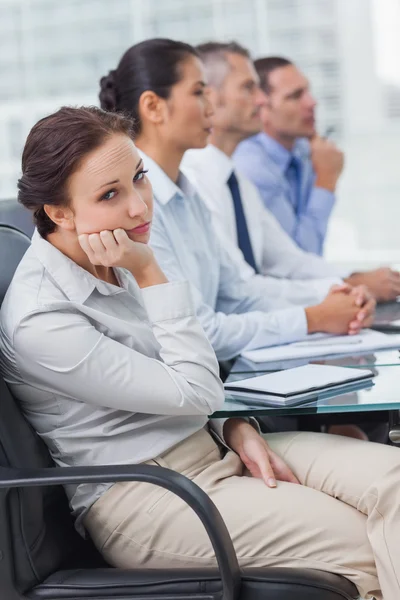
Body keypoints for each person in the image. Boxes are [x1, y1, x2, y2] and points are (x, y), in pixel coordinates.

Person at [1, 105, 400, 600]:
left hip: (213, 444)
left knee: (394, 481)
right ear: (59, 212)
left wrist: (234, 426)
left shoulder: (115, 251)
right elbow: (195, 387)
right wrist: (150, 274)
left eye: (138, 179)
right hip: (149, 499)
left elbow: (187, 381)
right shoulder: (42, 319)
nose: (140, 207)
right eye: (110, 194)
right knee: (370, 543)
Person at [99, 38, 374, 366]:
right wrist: (313, 317)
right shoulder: (137, 209)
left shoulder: (187, 194)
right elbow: (202, 330)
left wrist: (337, 295)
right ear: (154, 107)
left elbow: (240, 293)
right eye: (199, 92)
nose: (210, 108)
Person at [233, 56, 400, 301]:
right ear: (263, 109)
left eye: (308, 91)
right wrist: (326, 181)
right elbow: (295, 259)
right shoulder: (251, 167)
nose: (312, 103)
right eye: (295, 96)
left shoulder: (303, 150)